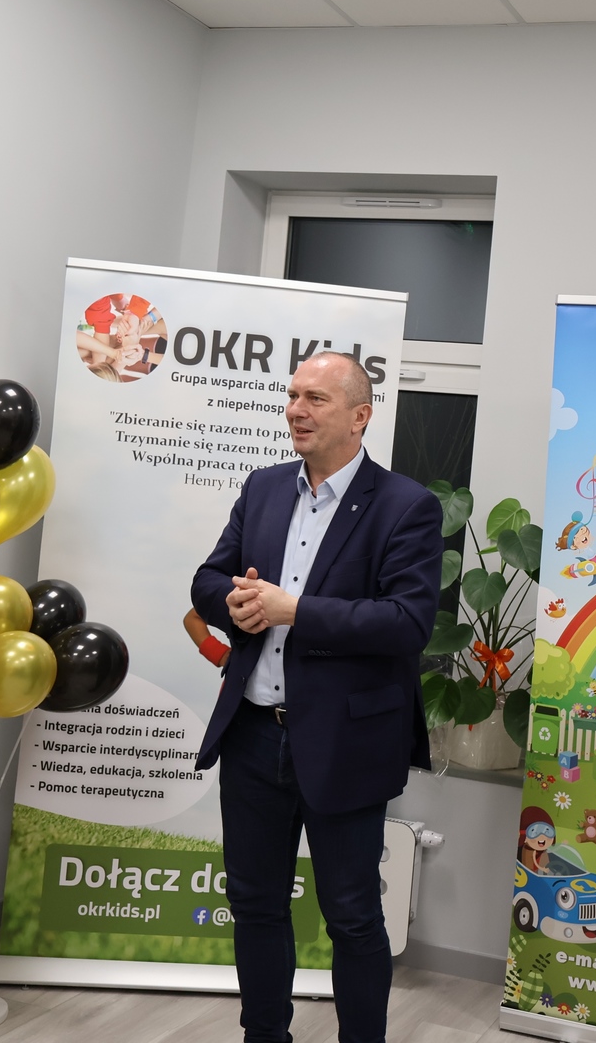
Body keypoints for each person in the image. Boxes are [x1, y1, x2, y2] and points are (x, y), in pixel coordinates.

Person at [189, 350, 442, 1043]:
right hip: (253, 735)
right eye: (293, 395)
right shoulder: (265, 487)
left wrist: (295, 610)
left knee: (353, 916)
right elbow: (208, 578)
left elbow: (407, 623)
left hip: (347, 743)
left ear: (360, 416)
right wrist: (234, 601)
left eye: (315, 399)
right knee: (255, 905)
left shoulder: (406, 506)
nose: (296, 410)